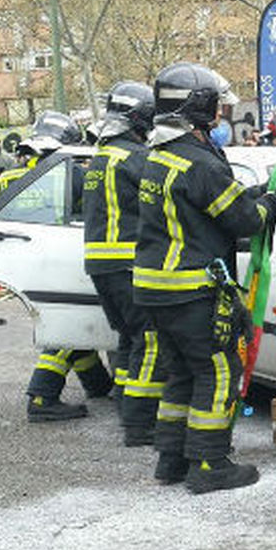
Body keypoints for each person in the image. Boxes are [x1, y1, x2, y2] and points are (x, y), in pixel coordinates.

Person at [133, 62, 276, 493]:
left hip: (156, 290)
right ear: (198, 108)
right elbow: (243, 220)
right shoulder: (200, 162)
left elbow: (210, 205)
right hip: (191, 291)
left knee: (182, 373)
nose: (221, 112)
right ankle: (209, 464)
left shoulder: (161, 155)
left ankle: (172, 460)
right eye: (217, 105)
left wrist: (258, 193)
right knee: (218, 370)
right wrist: (273, 204)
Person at [11, 112, 117, 421]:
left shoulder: (17, 176)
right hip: (64, 256)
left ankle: (96, 383)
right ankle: (42, 396)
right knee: (71, 327)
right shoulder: (74, 176)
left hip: (29, 258)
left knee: (74, 318)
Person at [84, 81, 169, 445]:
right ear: (141, 118)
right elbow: (167, 198)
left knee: (130, 338)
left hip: (101, 266)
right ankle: (139, 423)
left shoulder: (101, 156)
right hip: (127, 263)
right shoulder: (136, 158)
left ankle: (124, 401)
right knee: (150, 339)